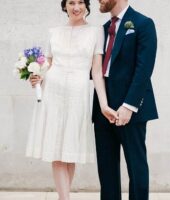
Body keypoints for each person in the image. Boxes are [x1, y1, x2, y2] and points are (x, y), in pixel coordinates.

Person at [26, 0, 117, 200]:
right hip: (54, 93)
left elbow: (97, 71)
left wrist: (103, 104)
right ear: (64, 6)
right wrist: (38, 76)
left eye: (80, 2)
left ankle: (62, 197)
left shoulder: (96, 32)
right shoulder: (54, 32)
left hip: (79, 94)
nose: (76, 7)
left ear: (86, 6)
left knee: (69, 151)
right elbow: (48, 62)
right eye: (71, 2)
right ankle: (64, 198)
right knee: (56, 151)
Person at [92, 0, 158, 200]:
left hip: (131, 109)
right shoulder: (103, 29)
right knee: (107, 169)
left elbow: (144, 69)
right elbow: (95, 69)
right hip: (103, 108)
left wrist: (129, 106)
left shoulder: (143, 23)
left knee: (136, 166)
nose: (99, 0)